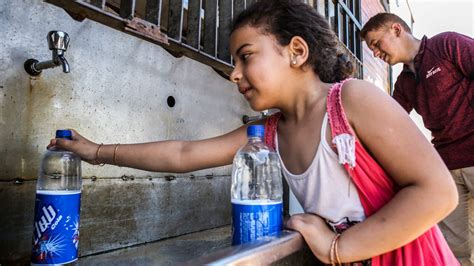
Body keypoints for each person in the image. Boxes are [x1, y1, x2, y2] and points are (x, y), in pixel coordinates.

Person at [50, 1, 459, 264]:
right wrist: (97, 150)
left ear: (297, 52)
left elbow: (437, 192)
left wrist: (339, 249)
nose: (234, 73)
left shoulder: (351, 101)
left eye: (246, 57)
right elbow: (183, 154)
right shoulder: (270, 132)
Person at [361, 12, 474, 265]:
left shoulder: (447, 45)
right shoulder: (403, 84)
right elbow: (385, 124)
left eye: (377, 44)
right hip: (446, 170)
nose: (376, 53)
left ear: (397, 29)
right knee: (455, 251)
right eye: (371, 49)